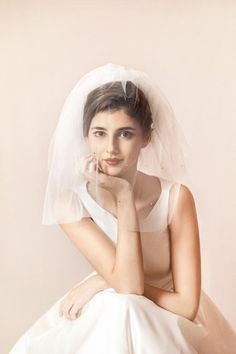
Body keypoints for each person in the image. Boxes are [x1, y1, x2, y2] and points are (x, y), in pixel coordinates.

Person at [9, 63, 236, 353]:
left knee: (123, 302)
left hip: (171, 319)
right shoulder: (70, 200)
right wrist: (115, 282)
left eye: (125, 134)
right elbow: (127, 286)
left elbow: (186, 305)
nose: (111, 149)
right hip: (112, 312)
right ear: (86, 135)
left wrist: (104, 281)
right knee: (121, 306)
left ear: (146, 138)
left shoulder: (176, 198)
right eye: (100, 133)